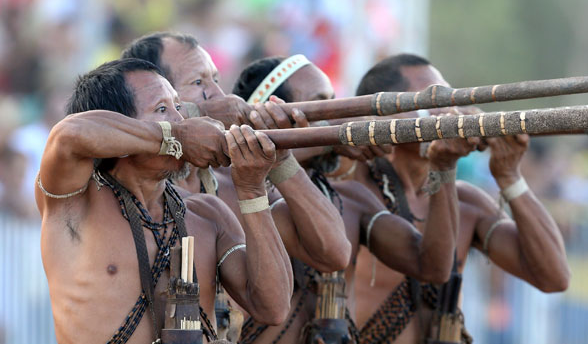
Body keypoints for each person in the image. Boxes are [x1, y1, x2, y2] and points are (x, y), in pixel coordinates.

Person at [36, 58, 293, 344]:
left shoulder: (208, 213)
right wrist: (175, 137)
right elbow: (69, 136)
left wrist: (251, 189)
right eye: (162, 109)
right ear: (119, 126)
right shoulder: (75, 202)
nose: (182, 121)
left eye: (178, 108)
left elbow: (273, 306)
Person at [229, 55, 478, 343]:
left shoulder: (350, 198)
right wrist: (328, 138)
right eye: (322, 103)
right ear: (275, 113)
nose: (337, 114)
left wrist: (445, 166)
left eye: (335, 102)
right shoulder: (234, 192)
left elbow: (433, 267)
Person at [349, 54, 571, 343]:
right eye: (433, 100)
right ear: (384, 114)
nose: (448, 112)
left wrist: (510, 177)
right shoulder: (351, 192)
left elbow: (554, 277)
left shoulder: (465, 202)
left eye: (449, 101)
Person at [121, 32, 351, 275]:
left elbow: (335, 254)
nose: (221, 95)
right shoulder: (120, 177)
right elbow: (80, 129)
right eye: (198, 83)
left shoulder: (237, 184)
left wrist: (282, 160)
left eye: (216, 80)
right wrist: (196, 112)